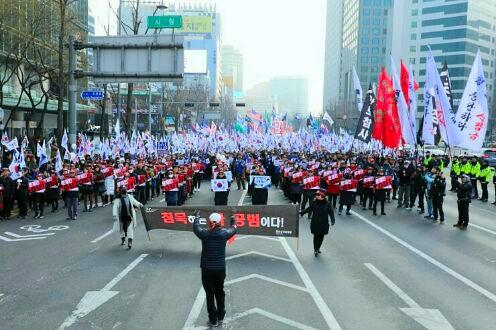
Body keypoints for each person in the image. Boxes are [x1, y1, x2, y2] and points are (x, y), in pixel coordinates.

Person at [193, 212, 237, 327]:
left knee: (209, 294)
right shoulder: (224, 234)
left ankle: (213, 319)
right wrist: (232, 217)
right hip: (220, 269)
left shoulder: (204, 234)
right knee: (220, 292)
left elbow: (196, 228)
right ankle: (221, 315)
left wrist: (196, 218)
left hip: (207, 269)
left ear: (209, 222)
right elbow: (234, 228)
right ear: (220, 222)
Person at [300, 189, 335, 257]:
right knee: (316, 236)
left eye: (318, 195)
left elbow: (331, 212)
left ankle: (318, 247)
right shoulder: (314, 202)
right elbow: (309, 209)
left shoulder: (327, 204)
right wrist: (302, 212)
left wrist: (333, 220)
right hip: (315, 222)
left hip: (324, 223)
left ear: (323, 196)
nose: (317, 196)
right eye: (316, 194)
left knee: (321, 236)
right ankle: (315, 249)